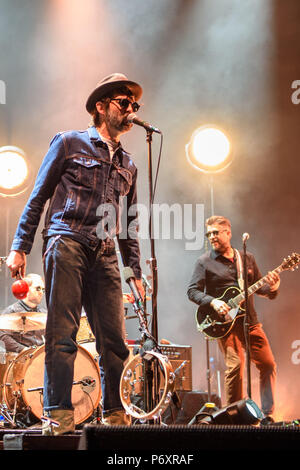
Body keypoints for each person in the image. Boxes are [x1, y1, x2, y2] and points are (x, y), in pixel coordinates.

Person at [6, 73, 145, 434]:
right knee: (62, 334)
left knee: (114, 341)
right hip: (66, 241)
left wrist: (136, 271)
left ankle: (116, 415)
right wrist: (20, 246)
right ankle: (58, 415)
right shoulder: (69, 143)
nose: (131, 109)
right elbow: (38, 196)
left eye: (134, 105)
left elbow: (130, 222)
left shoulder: (129, 164)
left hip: (106, 252)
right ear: (101, 107)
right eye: (123, 102)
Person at [187, 215, 280, 424]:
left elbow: (260, 287)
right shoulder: (204, 262)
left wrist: (273, 287)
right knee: (236, 366)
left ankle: (268, 414)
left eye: (215, 233)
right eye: (209, 234)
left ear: (228, 233)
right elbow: (192, 291)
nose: (212, 237)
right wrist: (212, 302)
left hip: (250, 321)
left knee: (268, 363)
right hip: (224, 325)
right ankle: (234, 417)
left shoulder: (246, 258)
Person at [0, 273, 46, 353]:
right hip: (20, 360)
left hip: (41, 358)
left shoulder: (44, 314)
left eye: (43, 289)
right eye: (38, 288)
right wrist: (23, 350)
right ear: (26, 289)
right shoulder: (11, 312)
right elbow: (2, 335)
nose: (41, 292)